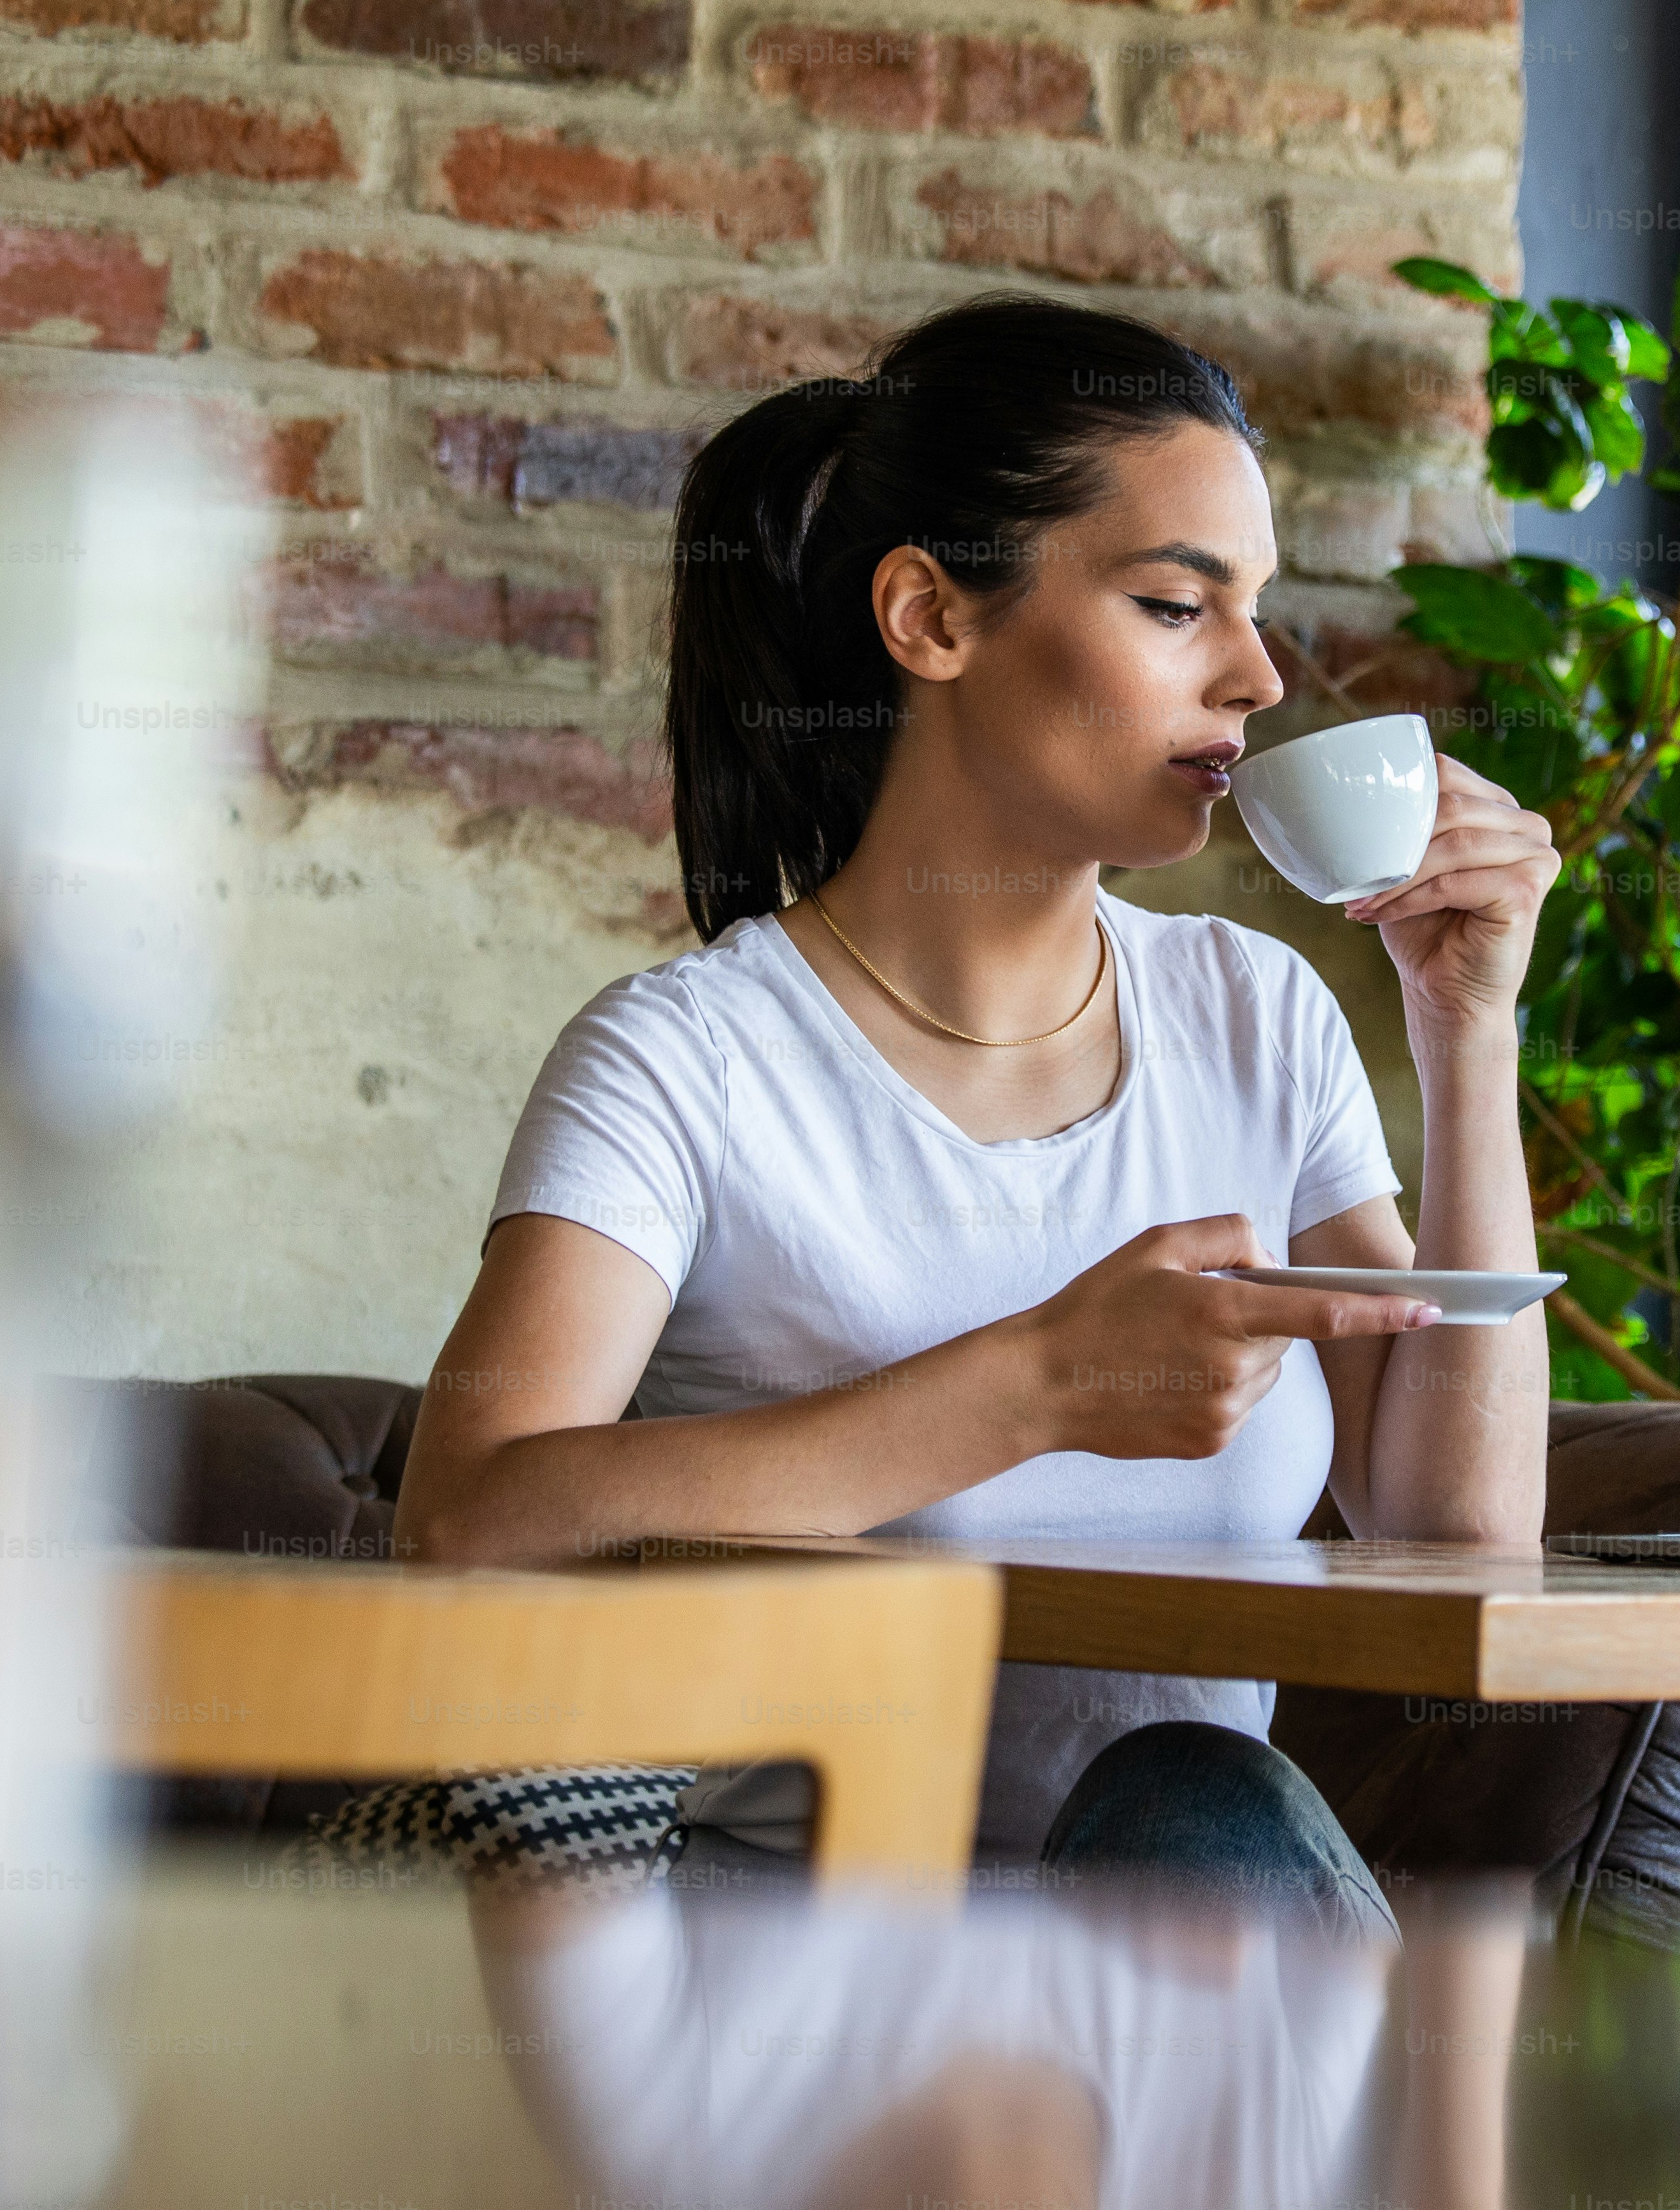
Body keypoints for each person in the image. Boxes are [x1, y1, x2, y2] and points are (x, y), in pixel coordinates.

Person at [392, 293, 1556, 1932]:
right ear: (930, 617)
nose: (1257, 673)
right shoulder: (687, 1062)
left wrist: (1465, 1028)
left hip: (1177, 2008)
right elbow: (465, 1526)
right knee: (1198, 1801)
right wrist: (1033, 1383)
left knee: (1191, 1798)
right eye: (1175, 604)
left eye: (1256, 612)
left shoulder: (1253, 1016)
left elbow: (1458, 1523)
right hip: (796, 2016)